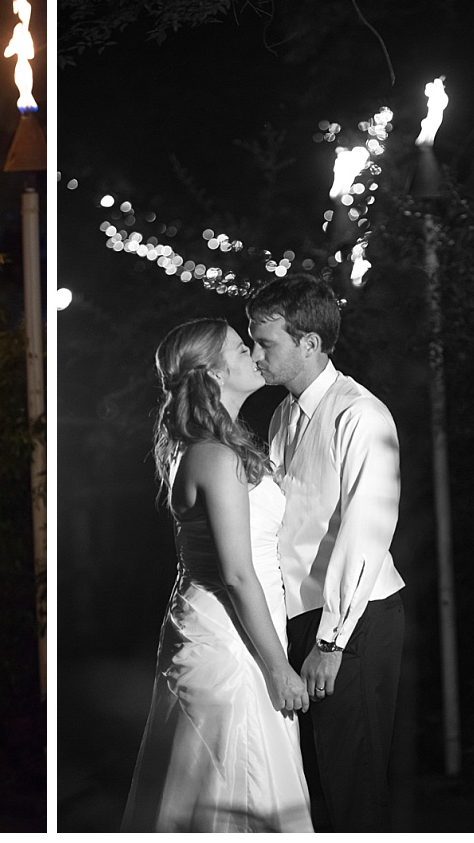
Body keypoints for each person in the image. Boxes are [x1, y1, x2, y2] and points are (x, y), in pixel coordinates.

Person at [122, 318, 312, 833]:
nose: (252, 352)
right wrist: (278, 667)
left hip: (234, 625)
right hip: (231, 640)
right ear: (212, 372)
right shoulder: (214, 455)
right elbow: (237, 573)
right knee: (240, 781)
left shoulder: (214, 447)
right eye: (238, 347)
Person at [246, 273, 406, 831]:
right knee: (313, 783)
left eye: (266, 343)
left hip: (352, 620)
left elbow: (366, 532)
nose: (255, 355)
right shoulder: (282, 415)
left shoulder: (359, 415)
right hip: (300, 617)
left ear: (309, 343)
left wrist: (331, 640)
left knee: (352, 786)